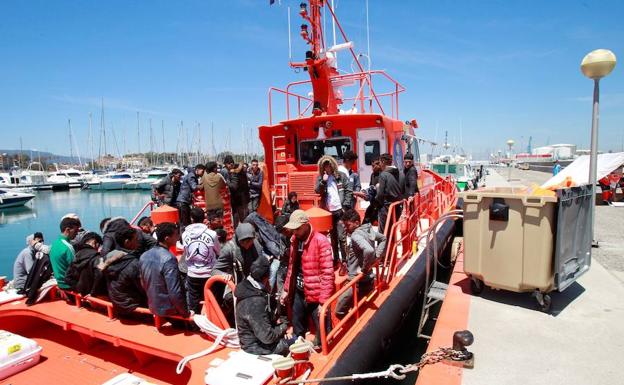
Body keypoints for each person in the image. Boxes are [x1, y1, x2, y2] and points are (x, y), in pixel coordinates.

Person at [280, 210, 334, 348]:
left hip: (316, 292)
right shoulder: (294, 240)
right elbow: (292, 267)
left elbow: (328, 273)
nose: (294, 232)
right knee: (298, 324)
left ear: (305, 224)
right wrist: (286, 289)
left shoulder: (321, 242)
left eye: (297, 229)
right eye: (293, 229)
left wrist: (323, 302)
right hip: (299, 290)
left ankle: (323, 346)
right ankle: (300, 347)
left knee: (322, 327)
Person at [335, 209, 386, 319]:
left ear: (357, 223)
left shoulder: (355, 236)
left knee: (338, 311)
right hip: (368, 279)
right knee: (359, 305)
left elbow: (368, 250)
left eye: (347, 225)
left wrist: (364, 269)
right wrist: (377, 257)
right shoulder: (368, 230)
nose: (345, 228)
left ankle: (349, 326)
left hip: (357, 282)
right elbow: (383, 238)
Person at [235, 256, 291, 355]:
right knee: (293, 341)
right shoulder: (256, 302)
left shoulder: (247, 289)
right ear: (266, 277)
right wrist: (283, 327)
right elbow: (267, 337)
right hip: (255, 347)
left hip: (252, 340)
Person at [140, 222, 189, 318]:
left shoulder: (144, 255)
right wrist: (185, 313)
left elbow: (143, 282)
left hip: (153, 306)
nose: (178, 237)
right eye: (176, 235)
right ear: (167, 238)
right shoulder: (169, 258)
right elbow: (174, 291)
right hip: (169, 309)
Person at [314, 155, 353, 266]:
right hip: (328, 213)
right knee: (333, 237)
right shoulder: (321, 178)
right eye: (325, 166)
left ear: (332, 165)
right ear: (322, 167)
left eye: (329, 165)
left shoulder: (341, 176)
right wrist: (323, 182)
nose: (327, 168)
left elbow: (348, 190)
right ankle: (336, 259)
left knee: (342, 236)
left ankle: (345, 261)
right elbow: (318, 191)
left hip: (340, 211)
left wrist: (345, 207)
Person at [99, 226, 147, 315]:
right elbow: (143, 288)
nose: (138, 241)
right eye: (135, 239)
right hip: (133, 306)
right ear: (127, 242)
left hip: (117, 303)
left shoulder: (108, 257)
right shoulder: (133, 263)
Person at [182, 208, 220, 313]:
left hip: (192, 274)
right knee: (212, 300)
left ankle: (194, 326)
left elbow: (186, 251)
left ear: (191, 218)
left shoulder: (184, 235)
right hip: (209, 274)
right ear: (204, 218)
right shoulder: (212, 234)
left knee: (193, 303)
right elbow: (218, 251)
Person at [49, 217, 81, 290]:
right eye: (76, 231)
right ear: (68, 230)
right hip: (69, 285)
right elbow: (75, 268)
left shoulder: (54, 244)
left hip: (60, 283)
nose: (77, 234)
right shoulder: (68, 247)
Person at [375, 153, 403, 234]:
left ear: (383, 161)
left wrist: (377, 204)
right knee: (392, 231)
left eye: (379, 162)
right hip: (397, 207)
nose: (379, 164)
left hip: (386, 208)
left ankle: (384, 247)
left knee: (383, 233)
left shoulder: (384, 175)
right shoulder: (401, 173)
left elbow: (380, 194)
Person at [222, 155, 250, 228]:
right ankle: (244, 231)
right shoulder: (239, 169)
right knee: (243, 216)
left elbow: (234, 186)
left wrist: (226, 182)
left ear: (230, 164)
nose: (226, 167)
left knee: (237, 215)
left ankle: (238, 231)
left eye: (226, 165)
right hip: (244, 196)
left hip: (238, 198)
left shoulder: (234, 172)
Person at [354, 157, 383, 225]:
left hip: (379, 204)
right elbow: (371, 186)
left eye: (373, 166)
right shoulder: (373, 175)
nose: (372, 168)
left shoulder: (382, 175)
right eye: (371, 166)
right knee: (366, 219)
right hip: (373, 202)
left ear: (378, 165)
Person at [176, 164, 206, 228]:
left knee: (185, 221)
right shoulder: (192, 176)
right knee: (184, 223)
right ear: (197, 170)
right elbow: (194, 187)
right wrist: (203, 185)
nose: (202, 174)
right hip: (183, 201)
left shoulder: (192, 175)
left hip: (183, 201)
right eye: (202, 172)